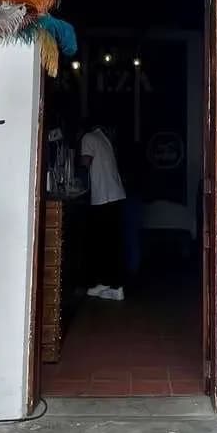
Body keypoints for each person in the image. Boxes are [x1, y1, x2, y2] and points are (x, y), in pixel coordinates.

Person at [80, 123, 127, 301]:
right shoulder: (103, 138)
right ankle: (115, 284)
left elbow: (85, 162)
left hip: (103, 197)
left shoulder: (87, 138)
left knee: (104, 243)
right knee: (113, 242)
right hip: (115, 194)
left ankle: (110, 284)